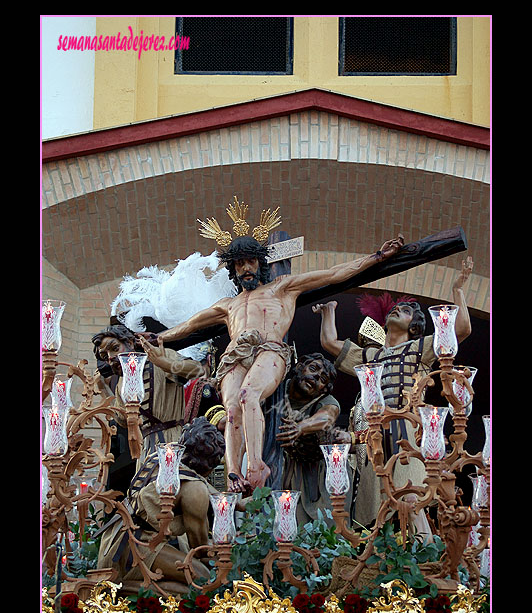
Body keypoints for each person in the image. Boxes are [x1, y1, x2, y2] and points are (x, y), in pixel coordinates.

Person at [158, 195, 405, 495]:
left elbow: (332, 274)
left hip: (269, 349)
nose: (245, 269)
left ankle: (257, 465)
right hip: (235, 354)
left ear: (260, 263)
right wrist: (161, 338)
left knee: (250, 396)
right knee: (232, 409)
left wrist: (377, 257)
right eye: (239, 264)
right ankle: (234, 472)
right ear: (233, 269)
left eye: (250, 262)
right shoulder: (227, 305)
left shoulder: (282, 288)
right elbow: (190, 325)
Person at [313, 256, 474, 539]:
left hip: (406, 430)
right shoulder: (370, 356)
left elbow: (460, 330)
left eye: (406, 310)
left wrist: (458, 289)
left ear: (414, 327)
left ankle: (425, 554)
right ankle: (375, 560)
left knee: (411, 499)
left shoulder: (420, 348)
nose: (398, 309)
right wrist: (329, 311)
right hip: (374, 434)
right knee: (372, 504)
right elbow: (329, 343)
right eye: (397, 307)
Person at [96, 417, 234, 596]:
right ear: (211, 466)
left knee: (187, 580)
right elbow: (199, 550)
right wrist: (227, 549)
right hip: (134, 549)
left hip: (114, 540)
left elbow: (201, 483)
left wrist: (237, 503)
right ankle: (120, 590)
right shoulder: (195, 490)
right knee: (202, 579)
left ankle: (127, 588)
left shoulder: (162, 459)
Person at [92, 324, 204, 466]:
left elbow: (197, 369)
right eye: (105, 356)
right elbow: (123, 420)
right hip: (146, 450)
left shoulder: (160, 356)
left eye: (115, 348)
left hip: (172, 443)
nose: (111, 357)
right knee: (138, 488)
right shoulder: (122, 382)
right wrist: (102, 388)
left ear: (130, 343)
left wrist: (164, 362)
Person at [276, 353, 352, 527]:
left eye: (323, 378)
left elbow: (328, 415)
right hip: (289, 470)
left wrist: (300, 427)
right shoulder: (277, 389)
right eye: (313, 368)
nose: (316, 377)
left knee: (329, 527)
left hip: (323, 473)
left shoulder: (327, 401)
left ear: (323, 389)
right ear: (299, 367)